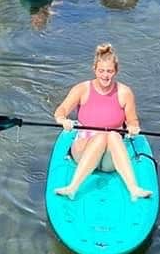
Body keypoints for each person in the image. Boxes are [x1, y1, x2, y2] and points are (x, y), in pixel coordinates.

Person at [53, 43, 153, 202]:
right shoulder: (82, 89)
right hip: (83, 149)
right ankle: (72, 188)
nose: (105, 76)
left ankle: (134, 189)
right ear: (94, 69)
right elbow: (62, 110)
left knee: (112, 135)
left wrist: (133, 126)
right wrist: (62, 120)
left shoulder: (125, 92)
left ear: (116, 71)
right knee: (102, 137)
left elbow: (132, 120)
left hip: (110, 157)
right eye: (101, 71)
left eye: (109, 71)